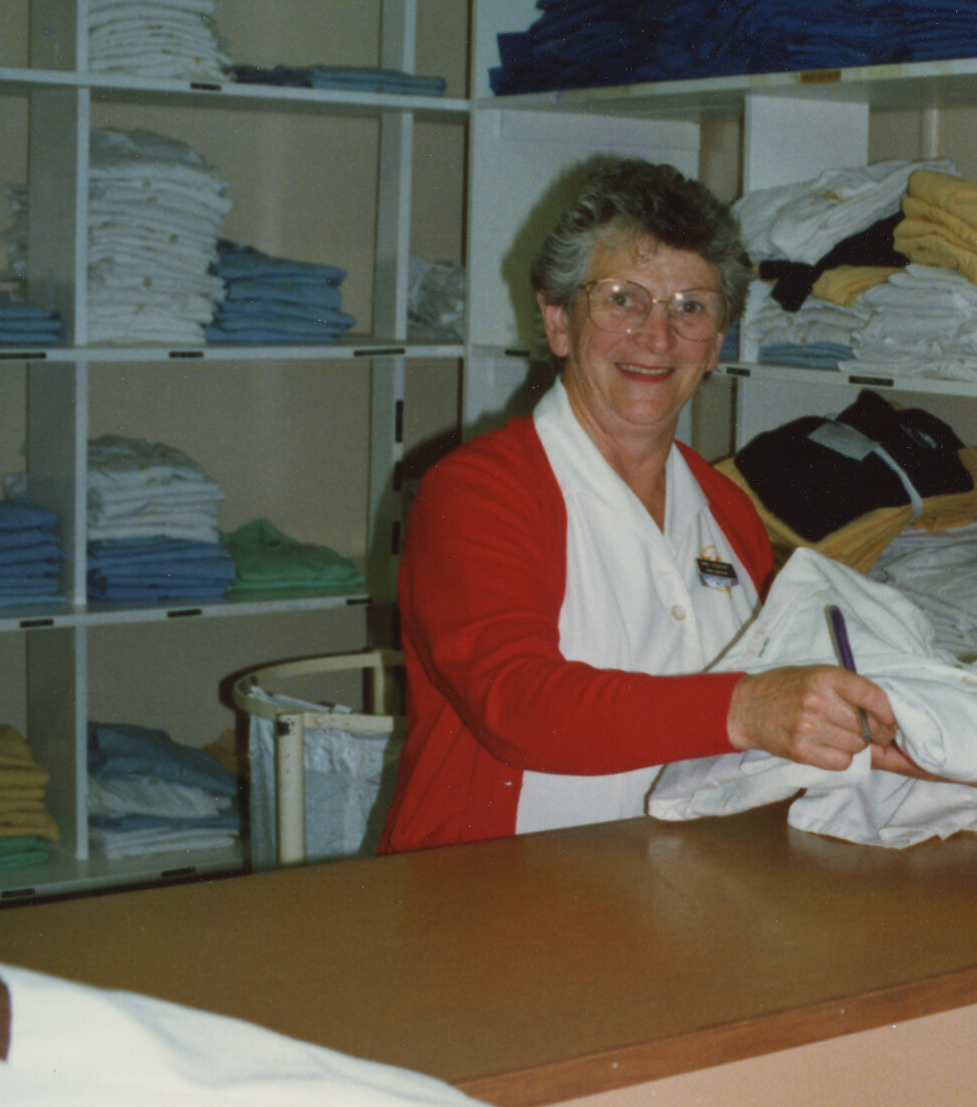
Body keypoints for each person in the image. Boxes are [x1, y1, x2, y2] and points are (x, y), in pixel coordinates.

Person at [379, 158, 900, 854]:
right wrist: (746, 709)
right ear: (559, 321)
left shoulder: (727, 508)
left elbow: (773, 704)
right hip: (496, 890)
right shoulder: (477, 492)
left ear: (715, 346)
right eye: (622, 299)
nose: (657, 337)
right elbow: (517, 704)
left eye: (691, 307)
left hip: (687, 891)